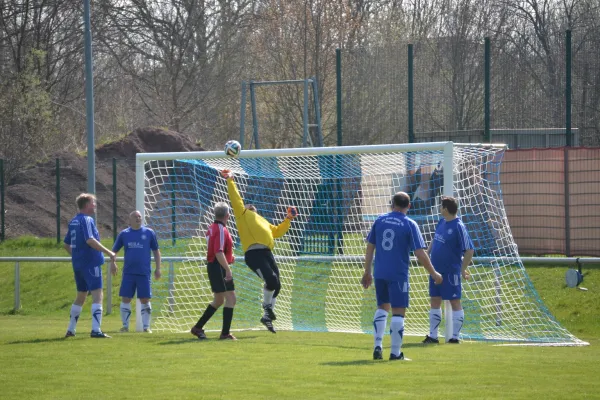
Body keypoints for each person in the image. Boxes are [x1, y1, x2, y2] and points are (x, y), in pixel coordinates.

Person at [361, 192, 442, 361]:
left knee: (382, 308)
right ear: (409, 206)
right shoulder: (409, 224)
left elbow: (370, 247)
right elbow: (419, 253)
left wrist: (367, 271)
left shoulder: (380, 220)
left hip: (380, 272)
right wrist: (433, 273)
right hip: (398, 274)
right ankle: (395, 353)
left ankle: (377, 346)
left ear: (392, 204)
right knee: (398, 312)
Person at [220, 169, 297, 334]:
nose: (250, 205)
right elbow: (236, 199)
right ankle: (267, 308)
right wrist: (230, 180)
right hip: (254, 254)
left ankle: (266, 317)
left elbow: (277, 232)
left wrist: (288, 219)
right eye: (248, 205)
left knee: (277, 285)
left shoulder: (262, 220)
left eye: (251, 206)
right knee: (271, 279)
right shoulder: (242, 214)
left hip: (267, 253)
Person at [423, 196, 474, 344]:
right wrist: (428, 251)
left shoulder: (459, 226)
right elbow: (435, 237)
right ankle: (433, 336)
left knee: (455, 301)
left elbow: (469, 250)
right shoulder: (441, 222)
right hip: (435, 269)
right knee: (434, 300)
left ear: (445, 209)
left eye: (441, 206)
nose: (439, 209)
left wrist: (462, 270)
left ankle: (455, 338)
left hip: (451, 271)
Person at [63, 193, 116, 338]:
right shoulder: (86, 220)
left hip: (78, 265)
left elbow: (66, 245)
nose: (95, 206)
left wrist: (77, 255)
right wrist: (109, 252)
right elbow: (90, 240)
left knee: (81, 296)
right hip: (90, 264)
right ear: (87, 205)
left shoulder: (73, 221)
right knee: (98, 295)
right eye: (93, 203)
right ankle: (96, 330)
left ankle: (71, 329)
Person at [190, 202, 237, 340]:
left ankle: (197, 328)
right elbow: (218, 252)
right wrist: (227, 269)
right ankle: (225, 333)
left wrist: (229, 258)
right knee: (231, 299)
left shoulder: (211, 228)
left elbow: (216, 250)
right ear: (227, 216)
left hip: (214, 265)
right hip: (218, 266)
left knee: (218, 300)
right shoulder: (221, 229)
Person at [110, 210, 161, 333]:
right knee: (126, 298)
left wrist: (158, 268)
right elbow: (114, 251)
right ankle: (125, 326)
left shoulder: (149, 233)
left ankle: (146, 327)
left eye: (140, 217)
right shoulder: (124, 234)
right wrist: (113, 263)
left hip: (144, 272)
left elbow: (156, 251)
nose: (138, 218)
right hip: (128, 272)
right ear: (130, 219)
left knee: (145, 299)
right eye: (135, 217)